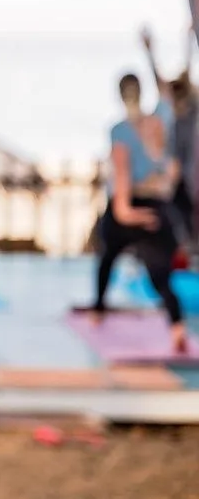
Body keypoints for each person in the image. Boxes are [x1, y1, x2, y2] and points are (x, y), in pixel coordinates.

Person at [91, 73, 186, 352]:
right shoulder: (157, 119)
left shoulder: (120, 130)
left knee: (107, 258)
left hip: (131, 207)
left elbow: (122, 174)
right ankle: (177, 325)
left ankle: (99, 309)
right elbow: (166, 94)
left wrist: (126, 212)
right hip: (155, 207)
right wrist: (150, 51)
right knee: (160, 275)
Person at [141, 27, 197, 240]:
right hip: (175, 166)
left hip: (186, 168)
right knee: (171, 208)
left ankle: (187, 245)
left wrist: (189, 42)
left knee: (185, 210)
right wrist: (150, 51)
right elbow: (159, 78)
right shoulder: (173, 104)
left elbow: (188, 68)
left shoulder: (190, 103)